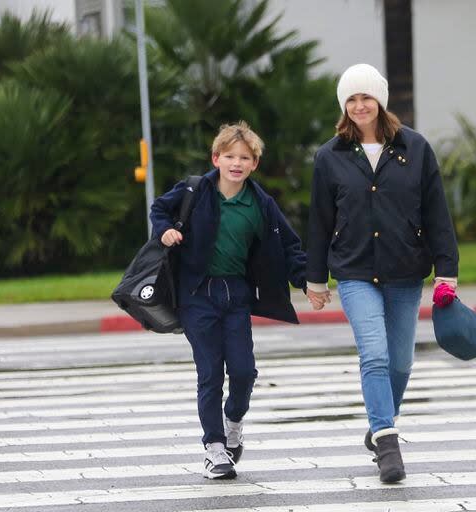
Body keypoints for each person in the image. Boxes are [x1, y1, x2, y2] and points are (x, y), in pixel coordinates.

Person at [305, 63, 459, 483]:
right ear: (344, 105)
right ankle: (388, 445)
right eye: (351, 99)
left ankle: (378, 424)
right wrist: (315, 279)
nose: (359, 106)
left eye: (366, 97)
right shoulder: (329, 156)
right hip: (354, 272)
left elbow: (437, 214)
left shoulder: (416, 148)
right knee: (373, 355)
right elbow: (319, 220)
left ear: (380, 101)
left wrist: (447, 271)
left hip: (405, 269)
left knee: (401, 363)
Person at [151, 121, 307, 480]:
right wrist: (166, 231)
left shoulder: (260, 203)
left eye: (246, 157)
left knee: (243, 371)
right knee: (209, 373)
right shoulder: (195, 190)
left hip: (236, 295)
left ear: (254, 164)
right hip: (196, 296)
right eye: (230, 156)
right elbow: (159, 209)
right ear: (216, 158)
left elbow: (289, 246)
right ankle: (215, 448)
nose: (236, 163)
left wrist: (306, 282)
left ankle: (233, 421)